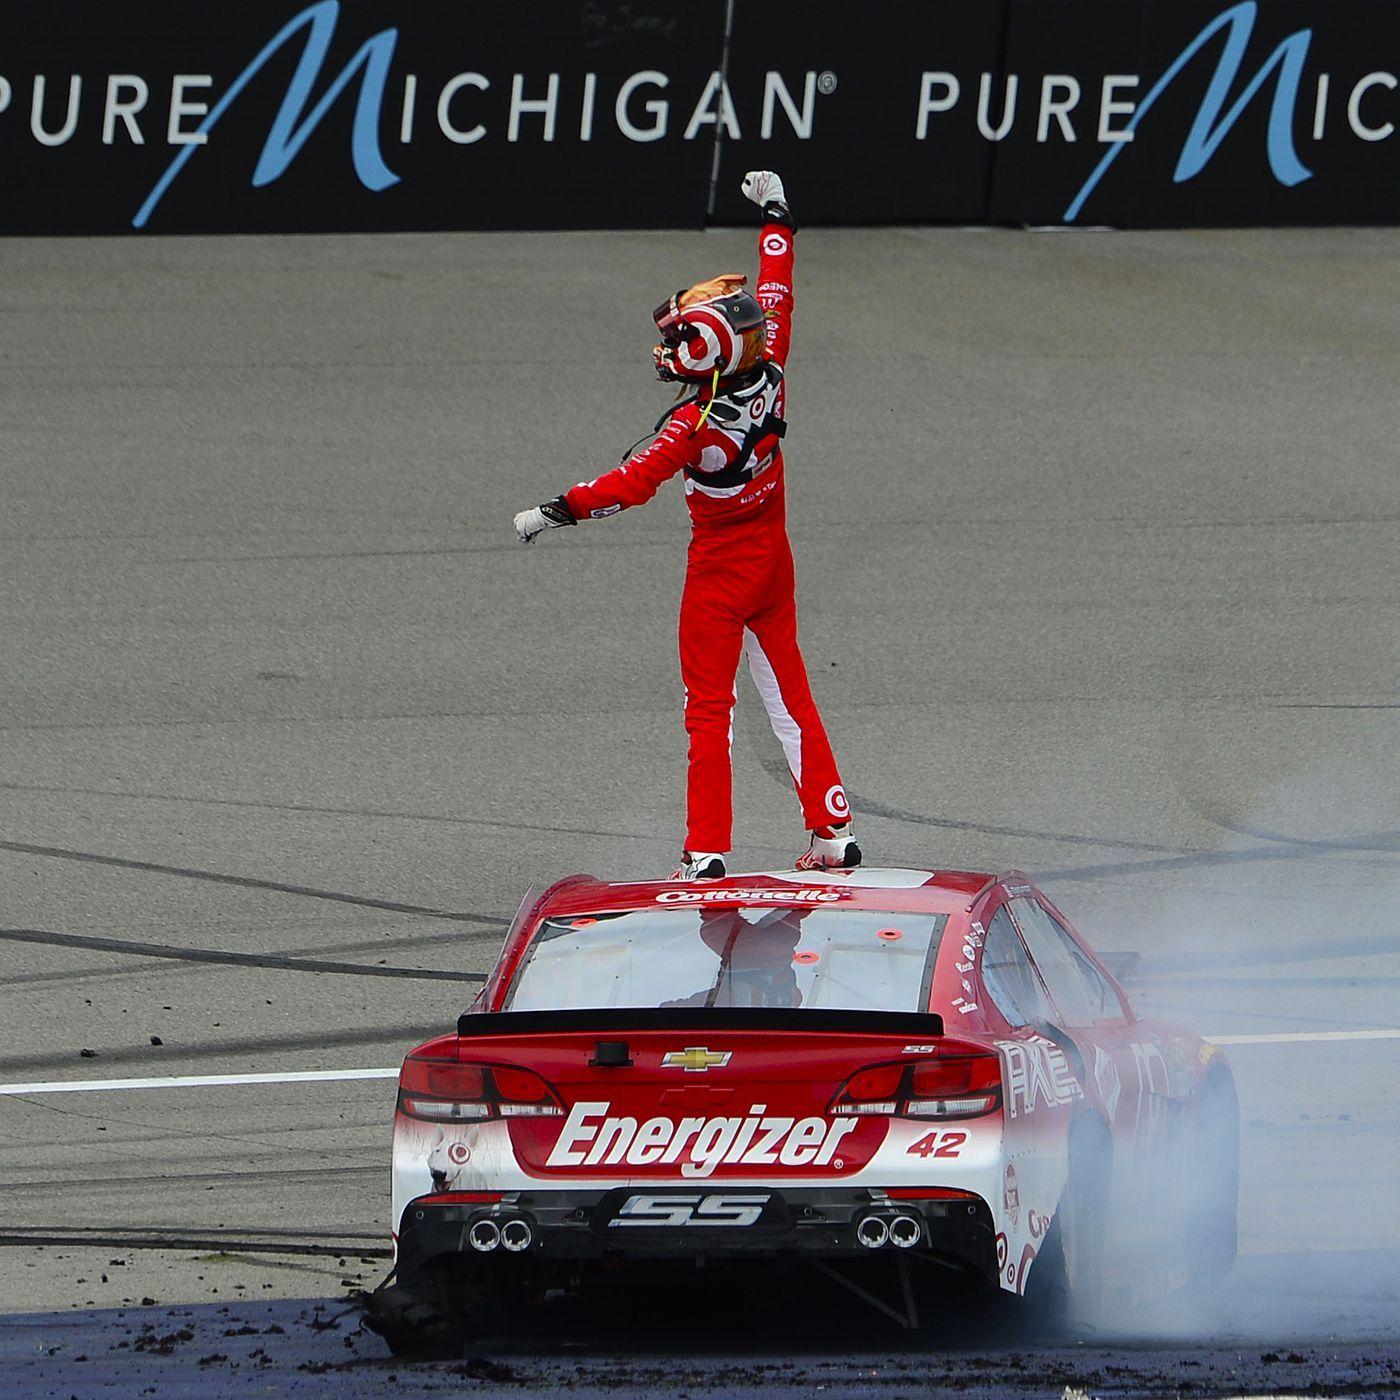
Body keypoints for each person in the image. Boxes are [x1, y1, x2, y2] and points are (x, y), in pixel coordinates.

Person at [512, 170, 859, 882]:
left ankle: (706, 852)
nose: (669, 349)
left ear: (710, 351)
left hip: (718, 579)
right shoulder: (772, 368)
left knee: (708, 710)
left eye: (680, 339)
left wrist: (556, 509)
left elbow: (630, 485)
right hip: (774, 564)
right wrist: (776, 215)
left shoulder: (690, 424)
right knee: (789, 695)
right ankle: (834, 833)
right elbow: (777, 290)